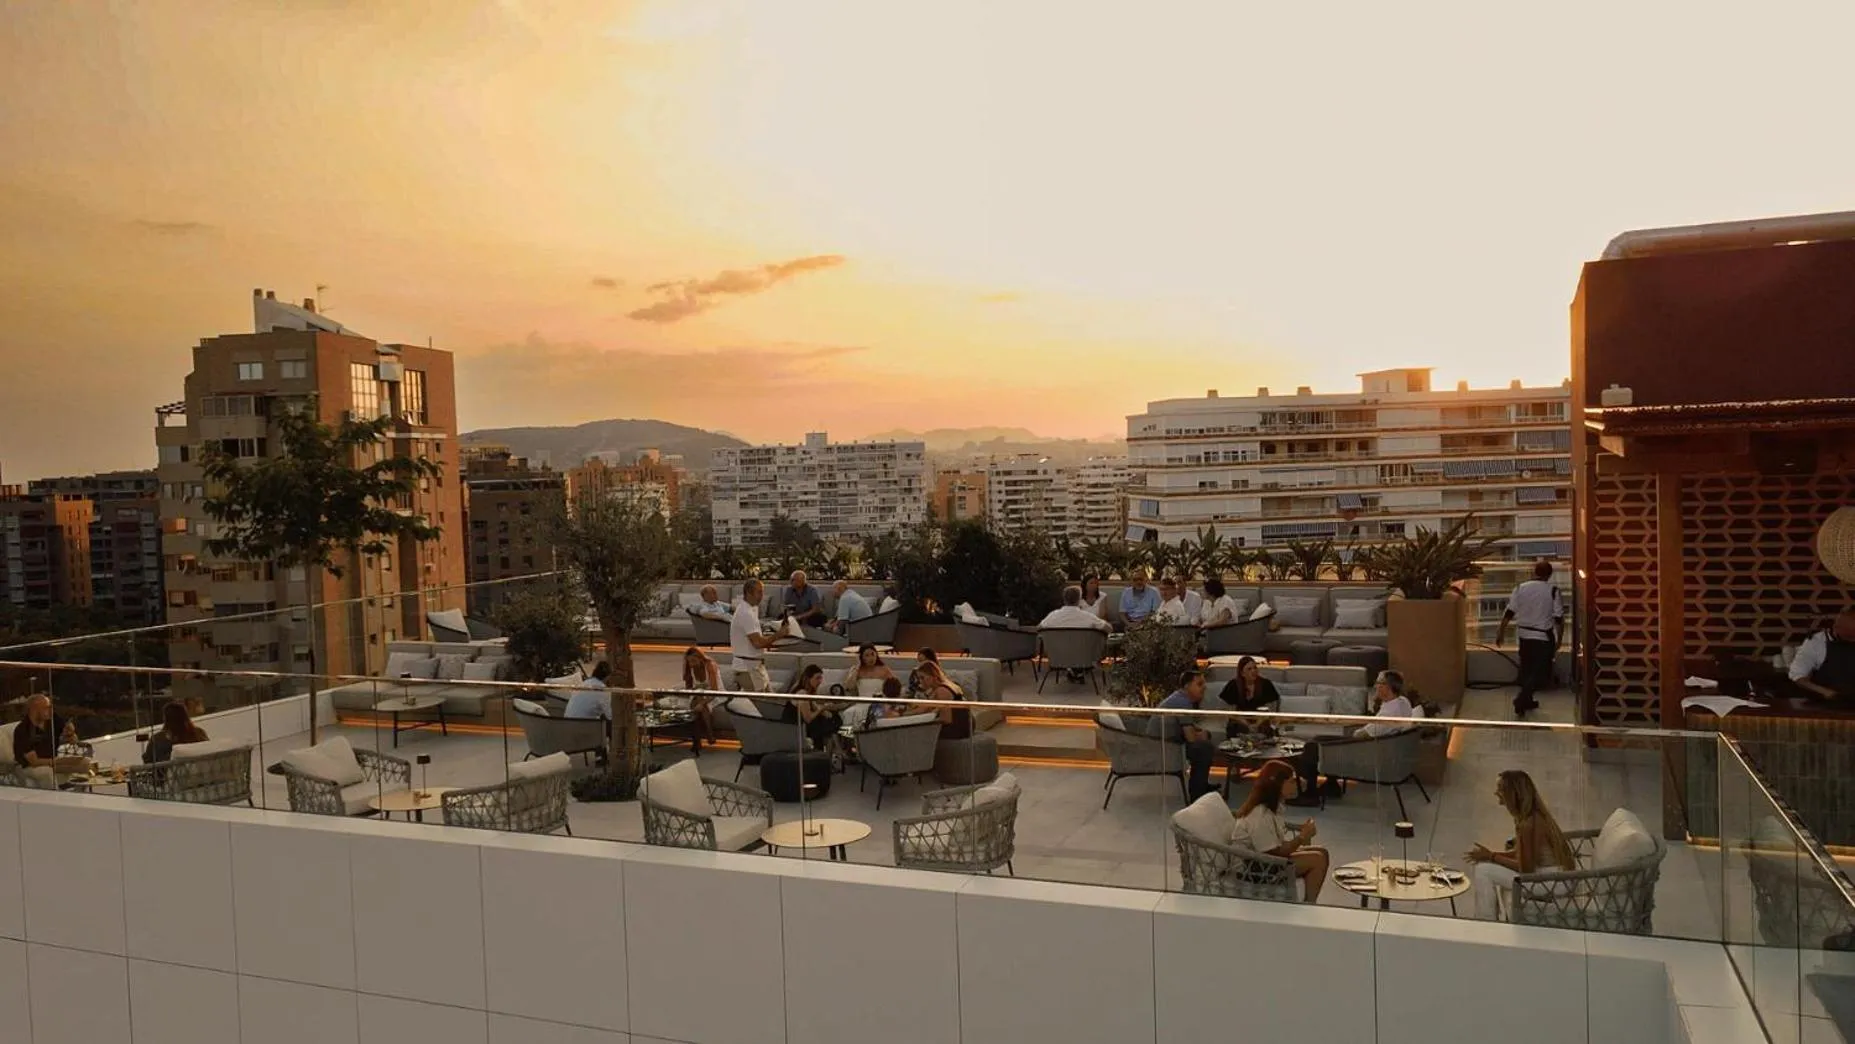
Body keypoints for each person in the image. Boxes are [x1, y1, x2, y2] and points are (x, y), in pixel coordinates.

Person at [1466, 770, 1577, 920]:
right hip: (1552, 875)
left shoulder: (1529, 824)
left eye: (1500, 789)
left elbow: (1526, 869)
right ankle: (1487, 920)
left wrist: (1492, 857)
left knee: (1484, 871)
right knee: (1485, 866)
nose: (1496, 793)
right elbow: (1520, 853)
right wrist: (1490, 855)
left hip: (1553, 881)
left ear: (1513, 794)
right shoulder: (1530, 817)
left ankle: (1485, 923)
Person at [1230, 759, 1328, 902]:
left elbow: (1276, 845)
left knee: (1322, 852)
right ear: (1277, 784)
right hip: (1251, 867)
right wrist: (1301, 837)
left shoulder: (1274, 806)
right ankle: (1309, 903)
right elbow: (1275, 852)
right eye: (1292, 781)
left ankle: (1309, 900)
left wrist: (1303, 835)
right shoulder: (1260, 814)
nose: (1297, 785)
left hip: (1263, 858)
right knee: (1317, 859)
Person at [1496, 560, 1563, 718]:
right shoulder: (1553, 590)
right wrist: (1559, 639)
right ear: (1549, 574)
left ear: (1535, 572)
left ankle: (1527, 700)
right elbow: (1558, 618)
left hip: (1524, 635)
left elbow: (1509, 612)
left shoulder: (1520, 588)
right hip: (1543, 637)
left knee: (1527, 670)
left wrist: (1501, 632)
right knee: (1540, 673)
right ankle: (1521, 699)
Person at [1149, 670, 1217, 799]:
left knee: (1204, 744)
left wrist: (1200, 733)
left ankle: (1201, 785)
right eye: (1199, 684)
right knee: (1203, 748)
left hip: (1167, 740)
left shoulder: (1181, 698)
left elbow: (1187, 727)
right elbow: (1191, 738)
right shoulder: (1182, 702)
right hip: (1162, 746)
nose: (1204, 688)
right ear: (1187, 686)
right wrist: (1201, 735)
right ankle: (1197, 793)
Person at [12, 695, 83, 788]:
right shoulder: (23, 730)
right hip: (29, 766)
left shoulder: (52, 720)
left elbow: (74, 740)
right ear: (34, 709)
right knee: (46, 772)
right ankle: (55, 795)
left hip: (52, 762)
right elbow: (34, 762)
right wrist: (60, 761)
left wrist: (71, 733)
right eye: (46, 707)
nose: (51, 710)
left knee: (85, 763)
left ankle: (78, 794)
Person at [781, 664, 845, 759]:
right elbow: (808, 718)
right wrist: (822, 709)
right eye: (817, 678)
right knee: (829, 724)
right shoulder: (802, 693)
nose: (820, 681)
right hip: (796, 726)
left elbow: (815, 707)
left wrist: (825, 710)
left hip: (804, 723)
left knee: (833, 719)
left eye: (821, 678)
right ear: (808, 679)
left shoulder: (809, 691)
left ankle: (832, 752)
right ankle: (834, 752)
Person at [1789, 610, 1855, 702]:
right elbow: (1797, 676)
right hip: (1825, 703)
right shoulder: (1816, 642)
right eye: (1849, 636)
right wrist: (1826, 692)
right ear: (1836, 628)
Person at [730, 578, 781, 691]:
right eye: (759, 592)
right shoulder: (745, 613)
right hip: (747, 668)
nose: (762, 596)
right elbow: (758, 643)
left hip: (756, 666)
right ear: (749, 593)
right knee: (763, 701)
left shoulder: (752, 609)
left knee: (772, 700)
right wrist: (780, 634)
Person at [1215, 656, 1280, 737]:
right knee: (1235, 727)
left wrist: (1256, 724)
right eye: (1249, 669)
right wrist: (1247, 725)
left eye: (1255, 668)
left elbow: (1271, 709)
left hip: (1261, 720)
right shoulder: (1233, 685)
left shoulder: (1266, 684)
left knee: (1267, 728)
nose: (1254, 671)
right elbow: (1230, 711)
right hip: (1240, 720)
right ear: (1242, 673)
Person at [913, 658, 972, 740]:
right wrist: (902, 714)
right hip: (966, 724)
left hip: (959, 727)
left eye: (922, 678)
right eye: (919, 678)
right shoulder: (940, 687)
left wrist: (928, 722)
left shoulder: (942, 690)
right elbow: (924, 709)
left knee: (917, 732)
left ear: (933, 676)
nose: (920, 681)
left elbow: (946, 719)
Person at [673, 646, 720, 745]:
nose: (691, 664)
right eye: (689, 662)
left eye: (694, 661)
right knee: (696, 701)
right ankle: (706, 736)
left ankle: (700, 739)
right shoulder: (689, 668)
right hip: (699, 693)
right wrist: (694, 691)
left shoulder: (710, 665)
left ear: (700, 659)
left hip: (715, 694)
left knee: (700, 703)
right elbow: (689, 689)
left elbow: (715, 690)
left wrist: (702, 703)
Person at [1355, 669, 1418, 738]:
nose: (1375, 686)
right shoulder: (1404, 701)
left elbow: (1361, 734)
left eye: (1378, 683)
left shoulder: (1388, 715)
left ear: (1387, 686)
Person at [142, 700, 207, 764]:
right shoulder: (199, 733)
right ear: (185, 716)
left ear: (165, 719)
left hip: (167, 770)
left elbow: (149, 762)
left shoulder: (158, 739)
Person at [1039, 585, 1112, 632]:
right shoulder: (1088, 617)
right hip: (1083, 651)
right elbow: (1109, 628)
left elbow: (1039, 628)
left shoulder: (1052, 616)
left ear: (1064, 599)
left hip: (1056, 651)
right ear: (1079, 600)